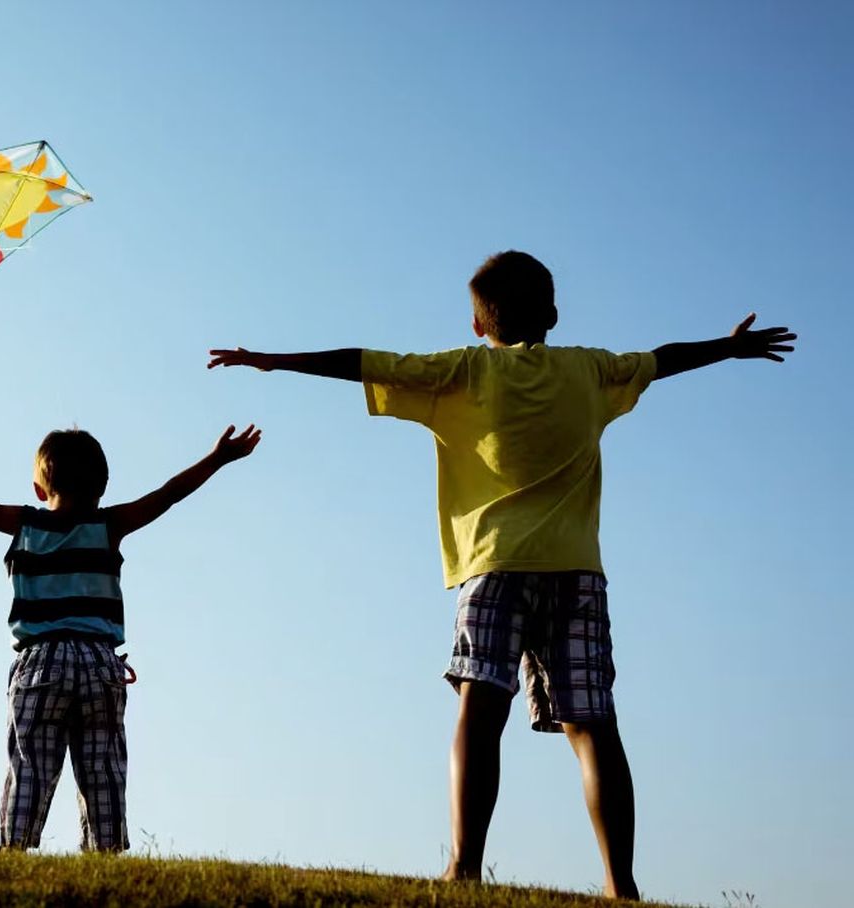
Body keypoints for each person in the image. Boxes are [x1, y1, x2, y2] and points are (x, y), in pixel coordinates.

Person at [207, 250, 795, 899]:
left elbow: (363, 362)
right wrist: (729, 347)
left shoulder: (462, 371)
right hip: (577, 573)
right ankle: (620, 884)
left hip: (494, 566)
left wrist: (275, 360)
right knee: (593, 725)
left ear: (477, 325)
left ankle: (464, 864)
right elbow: (662, 358)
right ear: (553, 314)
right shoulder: (590, 369)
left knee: (480, 708)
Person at [0, 424, 261, 852]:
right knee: (102, 765)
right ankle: (105, 850)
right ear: (104, 486)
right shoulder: (110, 525)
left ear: (39, 488)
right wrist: (217, 458)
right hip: (100, 663)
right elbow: (168, 494)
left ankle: (15, 846)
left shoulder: (24, 523)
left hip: (41, 662)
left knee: (31, 761)